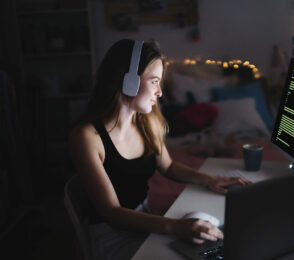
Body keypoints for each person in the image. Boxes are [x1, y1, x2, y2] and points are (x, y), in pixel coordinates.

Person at [69, 39, 250, 259]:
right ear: (128, 81)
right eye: (154, 81)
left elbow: (169, 166)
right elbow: (112, 213)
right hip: (114, 236)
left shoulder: (148, 122)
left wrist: (210, 179)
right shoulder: (87, 137)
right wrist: (175, 226)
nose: (160, 92)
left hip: (149, 220)